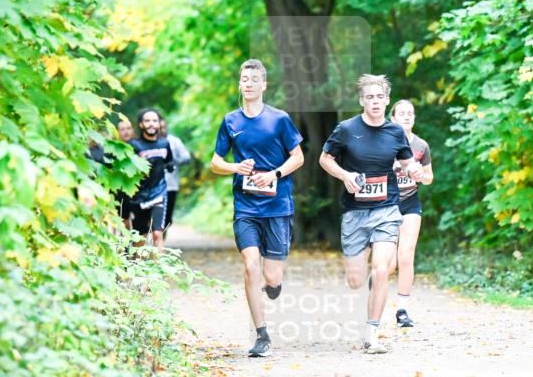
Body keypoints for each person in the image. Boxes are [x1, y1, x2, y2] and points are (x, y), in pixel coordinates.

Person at [319, 74, 421, 354]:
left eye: (379, 97)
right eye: (369, 97)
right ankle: (361, 281)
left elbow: (406, 160)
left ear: (386, 100)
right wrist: (344, 175)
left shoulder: (395, 132)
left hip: (386, 209)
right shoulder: (346, 129)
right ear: (362, 100)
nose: (375, 102)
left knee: (381, 270)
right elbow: (324, 159)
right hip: (354, 212)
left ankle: (372, 332)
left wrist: (414, 169)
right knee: (355, 279)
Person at [210, 59, 304, 358]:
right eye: (243, 79)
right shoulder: (230, 121)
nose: (248, 83)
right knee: (250, 265)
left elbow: (298, 157)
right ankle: (261, 334)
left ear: (264, 85)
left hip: (277, 206)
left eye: (253, 79)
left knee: (271, 277)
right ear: (239, 84)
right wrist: (235, 167)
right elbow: (215, 163)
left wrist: (274, 173)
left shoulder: (279, 119)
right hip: (245, 207)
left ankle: (274, 285)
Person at [387, 100, 433, 328]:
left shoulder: (421, 145)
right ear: (393, 118)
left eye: (410, 113)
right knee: (389, 263)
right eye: (402, 113)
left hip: (410, 204)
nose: (407, 116)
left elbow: (429, 177)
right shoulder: (384, 142)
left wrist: (420, 177)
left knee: (406, 256)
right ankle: (372, 294)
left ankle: (402, 311)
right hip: (385, 205)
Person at [128, 108, 173, 248]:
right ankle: (138, 267)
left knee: (157, 233)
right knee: (139, 238)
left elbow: (169, 161)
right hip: (139, 196)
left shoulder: (164, 144)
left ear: (159, 124)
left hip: (159, 192)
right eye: (147, 121)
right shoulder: (134, 145)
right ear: (141, 124)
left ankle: (160, 268)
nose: (151, 124)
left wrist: (171, 165)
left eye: (154, 121)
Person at [159, 116, 192, 236]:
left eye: (164, 127)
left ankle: (161, 240)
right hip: (152, 186)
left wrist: (174, 160)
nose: (162, 130)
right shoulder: (148, 143)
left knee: (167, 218)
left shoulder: (174, 141)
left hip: (170, 186)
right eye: (160, 127)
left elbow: (187, 158)